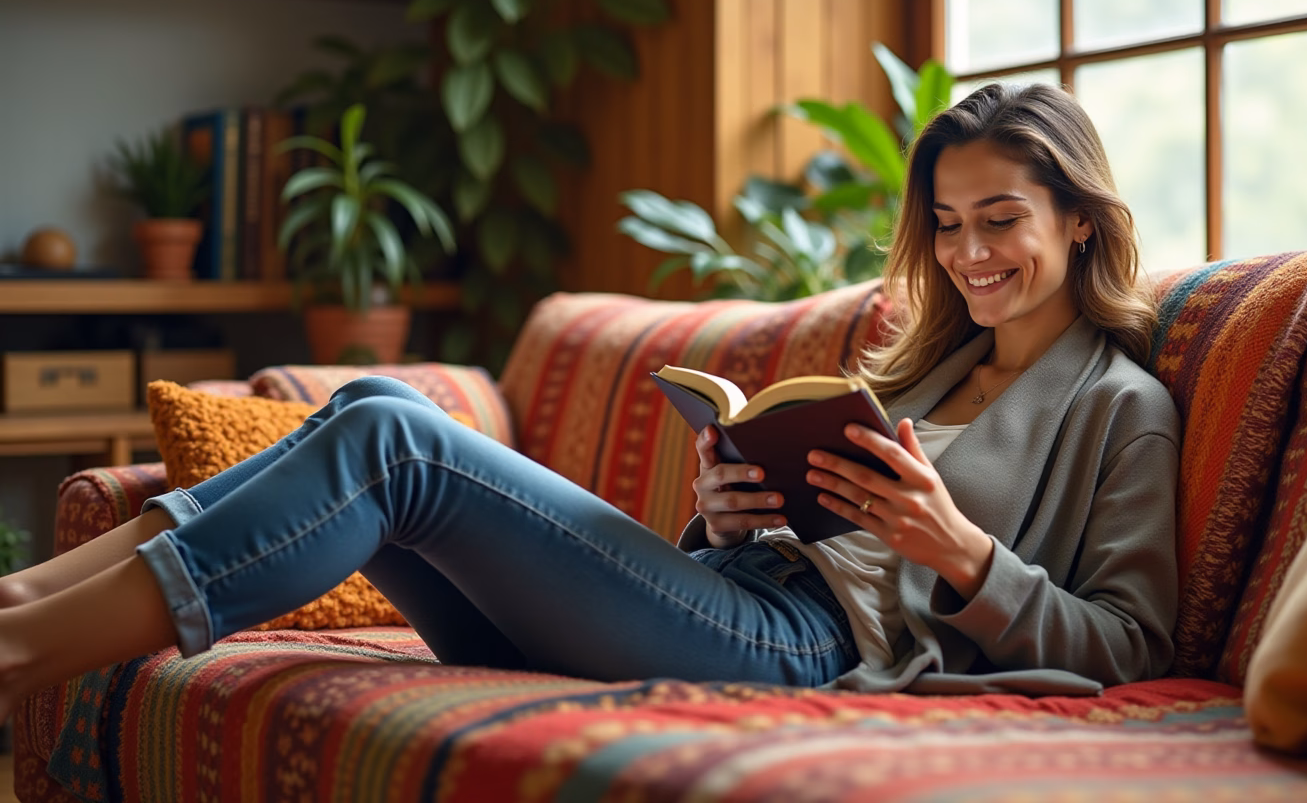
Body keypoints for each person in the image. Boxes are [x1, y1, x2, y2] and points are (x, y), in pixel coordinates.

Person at [0, 83, 1178, 716]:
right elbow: (796, 536)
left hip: (803, 649)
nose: (970, 255)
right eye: (950, 225)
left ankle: (18, 649)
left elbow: (1131, 644)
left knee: (390, 437)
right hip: (733, 593)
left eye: (1002, 221)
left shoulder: (1124, 409)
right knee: (369, 395)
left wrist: (964, 553)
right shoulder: (918, 365)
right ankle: (20, 604)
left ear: (1079, 217)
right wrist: (728, 508)